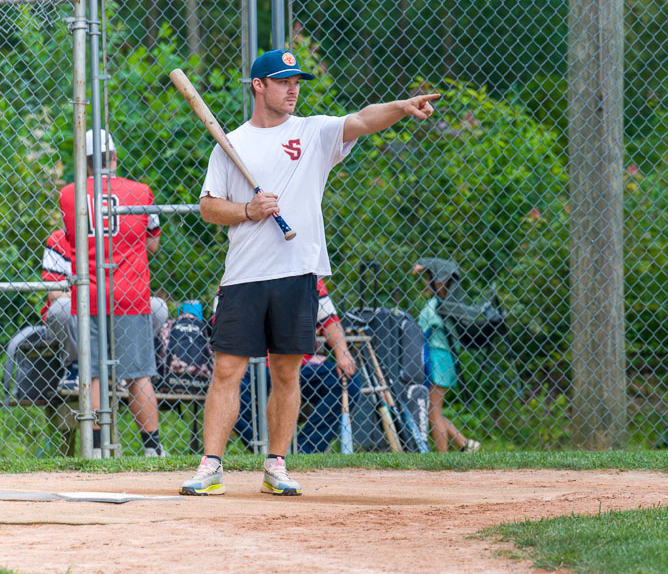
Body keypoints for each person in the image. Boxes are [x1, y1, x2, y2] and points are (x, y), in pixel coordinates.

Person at [180, 49, 439, 496]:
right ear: (259, 86)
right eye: (283, 82)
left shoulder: (313, 132)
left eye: (296, 81)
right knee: (227, 370)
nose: (293, 89)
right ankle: (211, 466)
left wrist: (401, 106)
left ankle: (275, 465)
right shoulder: (232, 143)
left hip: (297, 272)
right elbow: (207, 207)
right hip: (243, 276)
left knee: (286, 371)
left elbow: (362, 119)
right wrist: (247, 209)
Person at [58, 129, 166, 457]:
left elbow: (69, 239)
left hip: (88, 292)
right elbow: (152, 242)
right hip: (130, 291)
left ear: (85, 162)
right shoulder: (141, 192)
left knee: (91, 371)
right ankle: (152, 447)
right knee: (137, 373)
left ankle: (95, 447)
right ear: (114, 158)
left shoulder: (69, 194)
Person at [233, 279, 358, 453]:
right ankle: (267, 449)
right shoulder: (242, 270)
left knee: (347, 382)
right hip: (254, 363)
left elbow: (329, 320)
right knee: (230, 387)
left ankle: (302, 451)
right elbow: (223, 325)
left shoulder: (307, 273)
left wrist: (342, 352)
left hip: (300, 363)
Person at [43, 229, 169, 391]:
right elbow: (55, 293)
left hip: (115, 307)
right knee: (62, 308)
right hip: (81, 309)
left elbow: (134, 287)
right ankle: (77, 368)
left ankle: (122, 367)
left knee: (158, 307)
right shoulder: (59, 238)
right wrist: (95, 297)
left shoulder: (120, 237)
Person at [412, 260, 480, 453]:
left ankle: (443, 457)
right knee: (433, 411)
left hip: (439, 359)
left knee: (433, 411)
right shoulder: (447, 305)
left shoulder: (439, 306)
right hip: (440, 359)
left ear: (440, 282)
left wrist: (423, 264)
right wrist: (424, 264)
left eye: (429, 278)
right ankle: (465, 444)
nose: (426, 283)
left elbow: (420, 329)